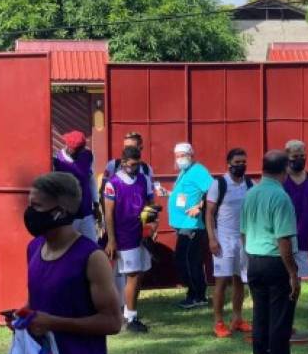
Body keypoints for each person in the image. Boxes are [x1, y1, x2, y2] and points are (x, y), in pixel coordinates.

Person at [22, 172, 122, 354]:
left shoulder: (92, 257)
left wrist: (51, 322)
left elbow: (113, 322)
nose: (30, 213)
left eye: (37, 207)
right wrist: (25, 318)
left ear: (61, 211)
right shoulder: (34, 248)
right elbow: (39, 303)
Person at [241, 150, 308, 354]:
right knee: (280, 322)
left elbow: (243, 232)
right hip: (275, 262)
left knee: (260, 319)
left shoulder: (251, 193)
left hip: (255, 259)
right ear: (285, 170)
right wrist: (293, 272)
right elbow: (284, 240)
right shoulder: (281, 197)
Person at [103, 146, 156, 333]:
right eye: (132, 164)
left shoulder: (144, 179)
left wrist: (152, 222)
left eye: (138, 164)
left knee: (139, 274)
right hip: (124, 236)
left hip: (141, 234)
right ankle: (131, 318)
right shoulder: (113, 183)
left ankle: (129, 313)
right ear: (123, 162)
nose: (135, 168)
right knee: (132, 275)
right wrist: (111, 240)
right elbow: (108, 214)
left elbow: (151, 204)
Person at [205, 148, 254, 338]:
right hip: (223, 238)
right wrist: (212, 238)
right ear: (229, 164)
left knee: (240, 280)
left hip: (243, 239)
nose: (241, 165)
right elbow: (209, 213)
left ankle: (237, 318)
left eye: (244, 162)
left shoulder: (249, 184)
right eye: (237, 162)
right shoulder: (219, 184)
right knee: (222, 281)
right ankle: (218, 322)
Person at [168, 143, 213, 309]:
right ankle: (193, 293)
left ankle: (197, 295)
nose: (179, 159)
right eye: (177, 156)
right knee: (186, 259)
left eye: (183, 155)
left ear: (191, 155)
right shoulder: (184, 172)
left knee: (187, 259)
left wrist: (199, 206)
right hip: (182, 224)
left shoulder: (198, 170)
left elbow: (212, 190)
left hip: (192, 224)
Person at [53, 131, 101, 242]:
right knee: (67, 248)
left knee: (92, 246)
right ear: (69, 148)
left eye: (83, 148)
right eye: (79, 149)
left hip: (87, 213)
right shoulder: (57, 161)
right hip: (68, 216)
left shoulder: (88, 156)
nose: (83, 151)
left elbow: (91, 180)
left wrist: (96, 204)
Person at [283, 140, 308, 280]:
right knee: (283, 277)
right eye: (295, 156)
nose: (299, 159)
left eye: (302, 156)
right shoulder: (281, 178)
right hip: (283, 236)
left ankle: (293, 302)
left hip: (304, 237)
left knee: (298, 279)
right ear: (287, 157)